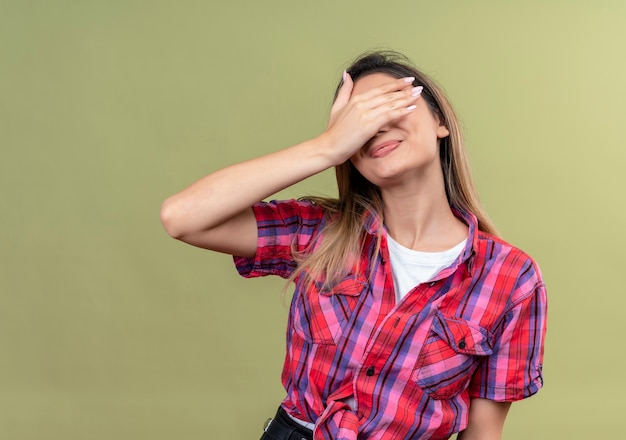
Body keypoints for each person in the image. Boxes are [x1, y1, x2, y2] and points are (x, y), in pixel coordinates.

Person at [160, 50, 547, 440]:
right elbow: (182, 217)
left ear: (440, 122)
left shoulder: (510, 278)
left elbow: (483, 432)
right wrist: (326, 147)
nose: (375, 128)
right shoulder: (318, 233)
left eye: (388, 105)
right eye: (358, 121)